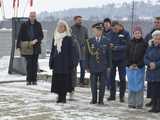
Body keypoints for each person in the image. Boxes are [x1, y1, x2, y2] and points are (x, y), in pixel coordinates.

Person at [49, 20, 79, 103]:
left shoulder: (68, 38)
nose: (60, 28)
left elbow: (72, 52)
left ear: (65, 28)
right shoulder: (55, 37)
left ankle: (63, 97)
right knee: (57, 80)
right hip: (57, 63)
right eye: (59, 26)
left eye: (62, 26)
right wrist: (51, 61)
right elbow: (53, 50)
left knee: (64, 81)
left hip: (65, 63)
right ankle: (59, 96)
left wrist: (71, 63)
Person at [86, 23, 112, 105]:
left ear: (102, 31)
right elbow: (87, 55)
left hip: (103, 66)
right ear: (94, 31)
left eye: (100, 31)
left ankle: (100, 100)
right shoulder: (90, 41)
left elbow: (109, 55)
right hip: (93, 66)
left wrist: (109, 66)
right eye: (97, 31)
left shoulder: (106, 41)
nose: (98, 32)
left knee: (102, 84)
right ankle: (94, 99)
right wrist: (87, 66)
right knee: (93, 84)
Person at [17, 11, 44, 85]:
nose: (32, 17)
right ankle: (28, 80)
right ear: (29, 16)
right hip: (27, 47)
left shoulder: (38, 24)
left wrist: (37, 40)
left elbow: (41, 35)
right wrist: (18, 46)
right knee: (29, 64)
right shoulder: (24, 24)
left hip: (36, 47)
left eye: (34, 16)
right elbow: (20, 35)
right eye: (31, 16)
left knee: (34, 64)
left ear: (35, 17)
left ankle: (34, 80)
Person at [106, 21, 130, 102]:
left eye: (116, 28)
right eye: (113, 29)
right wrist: (109, 46)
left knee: (122, 78)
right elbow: (106, 44)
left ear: (119, 26)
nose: (114, 30)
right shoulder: (109, 34)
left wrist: (116, 47)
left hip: (122, 59)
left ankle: (121, 96)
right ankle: (112, 95)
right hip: (112, 59)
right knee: (111, 78)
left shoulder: (125, 34)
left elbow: (127, 46)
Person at [126, 26, 147, 109]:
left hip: (139, 68)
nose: (137, 34)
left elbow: (145, 56)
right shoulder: (130, 43)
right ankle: (131, 102)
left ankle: (139, 103)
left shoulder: (144, 43)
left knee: (139, 86)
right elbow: (126, 55)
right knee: (131, 85)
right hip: (130, 68)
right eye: (135, 33)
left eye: (139, 33)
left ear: (141, 34)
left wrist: (138, 65)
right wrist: (129, 64)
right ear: (133, 34)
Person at [145, 17, 160, 107]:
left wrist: (156, 64)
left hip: (158, 68)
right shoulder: (150, 34)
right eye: (155, 22)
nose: (156, 23)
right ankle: (152, 101)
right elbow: (145, 47)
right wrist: (149, 63)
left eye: (158, 22)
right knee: (151, 86)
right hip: (151, 67)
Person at [71, 16, 88, 86]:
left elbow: (87, 39)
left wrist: (85, 46)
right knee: (73, 68)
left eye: (81, 20)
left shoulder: (84, 29)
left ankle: (81, 81)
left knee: (83, 68)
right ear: (75, 20)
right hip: (74, 52)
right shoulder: (71, 29)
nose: (80, 21)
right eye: (79, 20)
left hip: (83, 51)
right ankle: (73, 81)